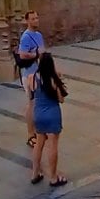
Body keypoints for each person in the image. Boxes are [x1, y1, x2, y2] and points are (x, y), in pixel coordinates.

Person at [29, 52, 68, 187]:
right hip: (52, 114)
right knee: (53, 145)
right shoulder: (53, 79)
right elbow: (61, 100)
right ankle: (53, 177)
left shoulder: (32, 78)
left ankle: (35, 173)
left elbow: (31, 97)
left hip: (38, 114)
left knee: (38, 144)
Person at [17, 10, 46, 146]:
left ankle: (38, 130)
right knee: (31, 104)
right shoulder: (26, 37)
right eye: (33, 19)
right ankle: (30, 134)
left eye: (37, 18)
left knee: (39, 102)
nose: (36, 20)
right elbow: (22, 54)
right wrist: (35, 54)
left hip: (38, 73)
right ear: (27, 21)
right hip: (28, 74)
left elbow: (42, 53)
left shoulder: (39, 35)